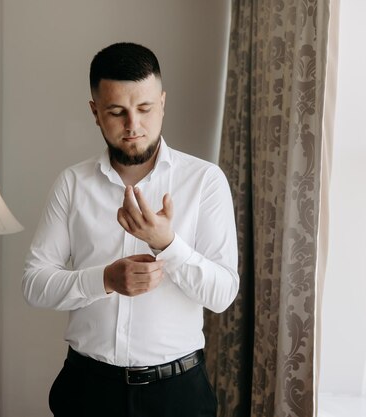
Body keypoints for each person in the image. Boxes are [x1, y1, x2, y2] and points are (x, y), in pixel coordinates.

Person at [22, 42, 239, 417]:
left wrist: (166, 244)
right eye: (117, 112)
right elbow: (34, 285)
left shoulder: (205, 181)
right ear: (95, 112)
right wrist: (104, 279)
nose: (133, 126)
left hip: (178, 393)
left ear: (163, 103)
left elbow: (222, 294)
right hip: (87, 390)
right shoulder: (72, 184)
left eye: (145, 108)